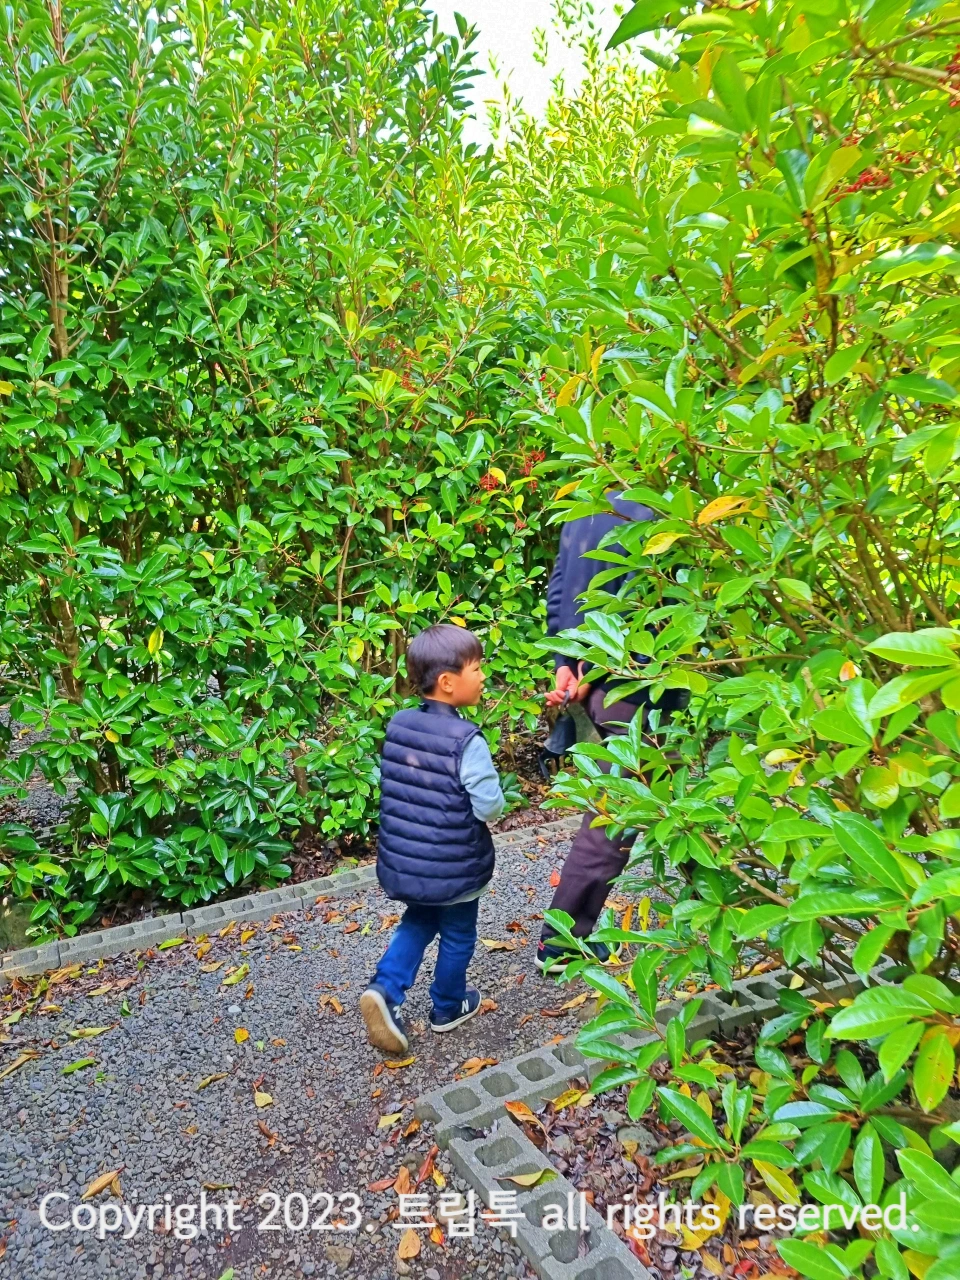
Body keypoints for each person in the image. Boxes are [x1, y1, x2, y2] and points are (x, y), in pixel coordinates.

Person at [537, 490, 680, 975]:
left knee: (668, 798)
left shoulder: (584, 507)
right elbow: (648, 597)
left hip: (598, 680)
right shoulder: (662, 505)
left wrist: (565, 665)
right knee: (618, 811)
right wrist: (593, 670)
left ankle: (724, 905)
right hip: (635, 684)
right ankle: (561, 942)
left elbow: (560, 590)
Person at [360, 624, 505, 1055]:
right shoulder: (467, 740)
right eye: (476, 669)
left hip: (408, 862)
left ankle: (385, 990)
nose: (482, 677)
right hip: (455, 867)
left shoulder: (400, 724)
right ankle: (447, 1006)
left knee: (420, 919)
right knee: (458, 933)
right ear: (447, 682)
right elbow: (489, 806)